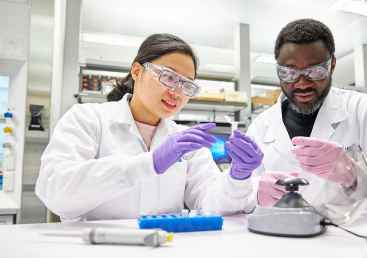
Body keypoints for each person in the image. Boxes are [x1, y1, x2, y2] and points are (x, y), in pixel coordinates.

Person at [35, 34, 263, 221]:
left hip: (164, 251)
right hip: (95, 252)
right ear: (136, 71)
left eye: (187, 85)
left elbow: (210, 204)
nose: (176, 92)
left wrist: (237, 178)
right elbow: (55, 192)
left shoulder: (185, 140)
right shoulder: (88, 119)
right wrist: (149, 163)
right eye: (168, 77)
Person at [248, 19, 367, 222]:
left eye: (315, 71)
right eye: (289, 72)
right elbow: (238, 194)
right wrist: (254, 190)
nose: (301, 83)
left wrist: (357, 173)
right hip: (279, 240)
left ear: (332, 64)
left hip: (353, 242)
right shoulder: (260, 126)